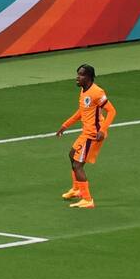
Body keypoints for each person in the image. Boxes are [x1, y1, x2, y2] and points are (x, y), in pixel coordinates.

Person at [55, 64, 116, 209]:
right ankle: (77, 189)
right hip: (86, 132)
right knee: (72, 155)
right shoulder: (83, 90)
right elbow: (82, 112)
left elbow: (112, 111)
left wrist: (103, 130)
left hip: (93, 134)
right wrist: (65, 125)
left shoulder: (97, 92)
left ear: (88, 77)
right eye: (78, 74)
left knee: (78, 165)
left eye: (81, 75)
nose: (77, 77)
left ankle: (88, 200)